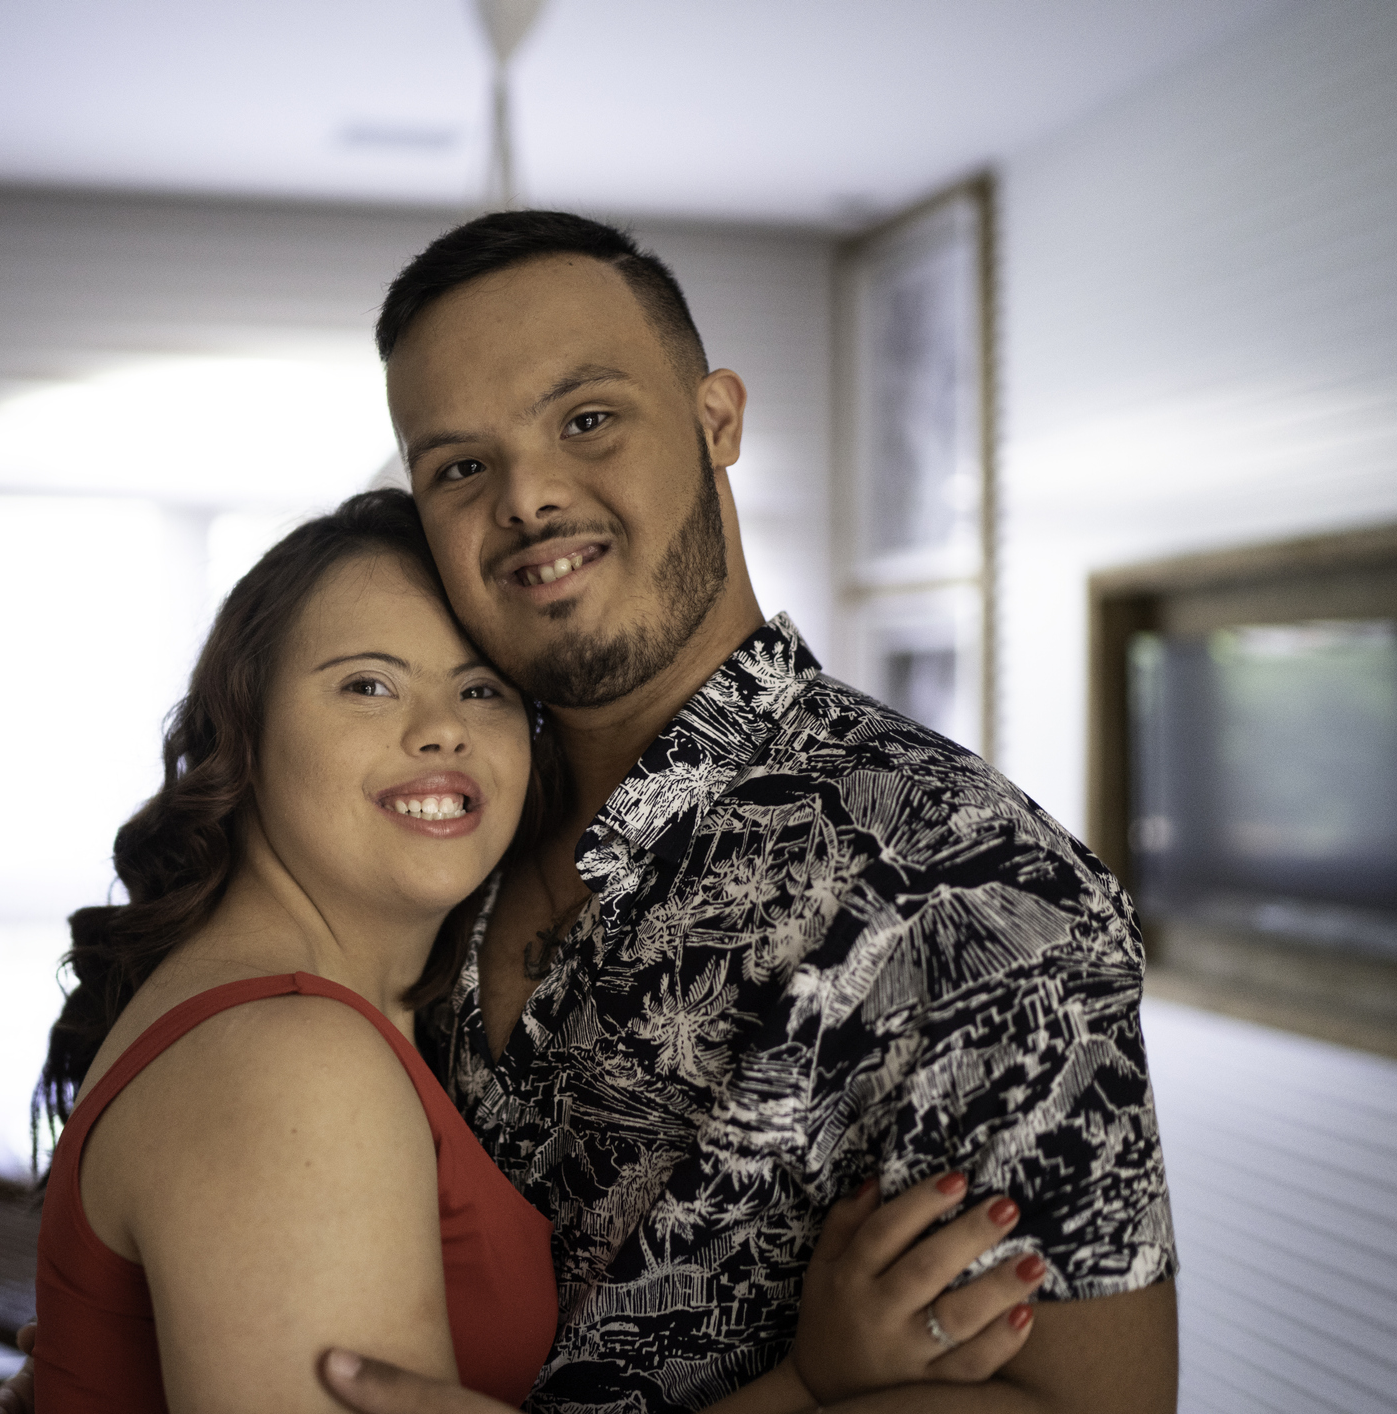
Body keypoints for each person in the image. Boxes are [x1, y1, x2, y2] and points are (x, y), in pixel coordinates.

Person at [307, 211, 1179, 1414]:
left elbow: (1080, 1408)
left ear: (716, 418)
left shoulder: (965, 879)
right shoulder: (440, 814)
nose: (528, 497)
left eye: (586, 418)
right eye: (459, 466)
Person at [19, 493, 1050, 1413]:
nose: (439, 730)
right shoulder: (291, 1063)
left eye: (481, 691)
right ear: (239, 732)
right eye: (367, 685)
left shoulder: (354, 1018)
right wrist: (807, 1387)